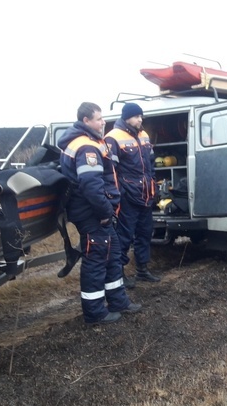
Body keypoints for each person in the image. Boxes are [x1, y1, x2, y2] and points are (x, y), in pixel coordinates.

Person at [58, 102, 141, 324]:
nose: (103, 122)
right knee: (95, 261)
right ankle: (94, 313)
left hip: (101, 213)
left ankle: (118, 301)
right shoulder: (86, 147)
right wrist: (106, 212)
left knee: (113, 256)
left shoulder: (93, 142)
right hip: (93, 214)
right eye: (98, 118)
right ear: (86, 121)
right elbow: (91, 186)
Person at [105, 103, 160, 288]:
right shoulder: (112, 138)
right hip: (127, 197)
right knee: (124, 236)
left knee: (144, 234)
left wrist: (154, 184)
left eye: (141, 116)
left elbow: (151, 164)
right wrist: (119, 193)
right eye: (137, 116)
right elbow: (110, 171)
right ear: (127, 117)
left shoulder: (144, 135)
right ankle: (118, 273)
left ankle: (142, 270)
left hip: (145, 194)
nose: (140, 119)